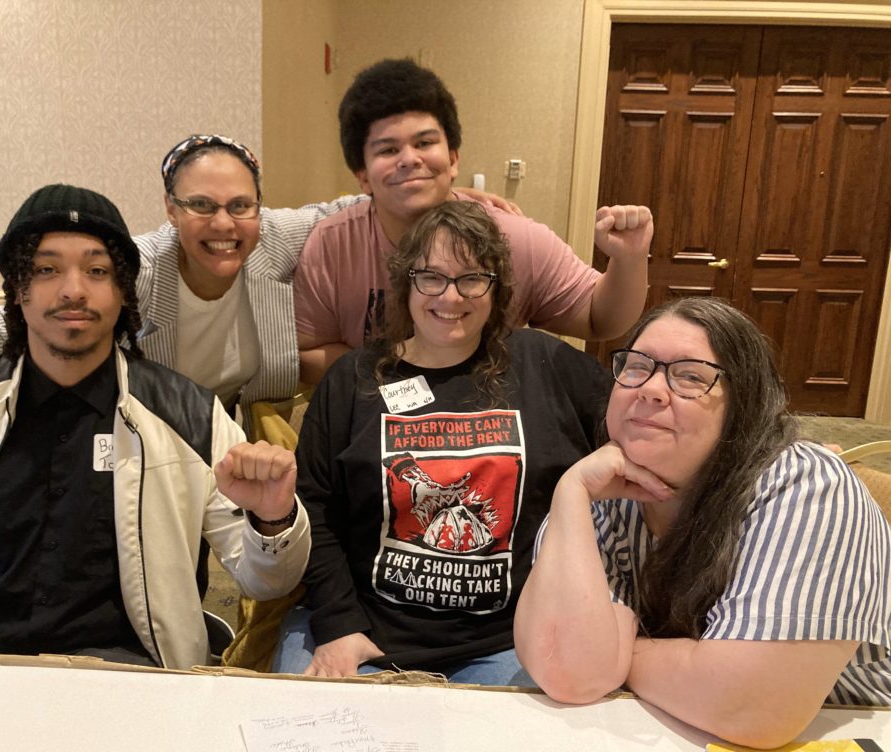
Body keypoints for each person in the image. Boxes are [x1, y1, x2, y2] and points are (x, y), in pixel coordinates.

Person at [0, 135, 518, 486]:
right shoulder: (131, 267)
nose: (224, 224)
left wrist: (444, 197)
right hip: (147, 429)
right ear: (170, 208)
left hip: (236, 423)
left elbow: (356, 206)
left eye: (240, 205)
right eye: (200, 206)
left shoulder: (273, 237)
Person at [0, 184, 310, 670]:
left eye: (97, 271)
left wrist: (272, 520)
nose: (73, 289)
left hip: (121, 667)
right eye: (47, 269)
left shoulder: (189, 413)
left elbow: (266, 581)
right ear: (19, 289)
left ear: (123, 291)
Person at [513, 297, 891, 747]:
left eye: (690, 376)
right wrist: (570, 493)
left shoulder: (807, 487)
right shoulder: (598, 491)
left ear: (744, 406)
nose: (650, 389)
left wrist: (615, 655)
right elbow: (570, 673)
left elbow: (756, 709)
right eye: (636, 366)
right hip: (658, 725)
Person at [273, 201, 612, 684]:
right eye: (431, 277)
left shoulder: (545, 364)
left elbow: (634, 427)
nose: (450, 297)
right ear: (406, 282)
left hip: (509, 640)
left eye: (472, 278)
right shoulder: (355, 378)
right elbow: (313, 508)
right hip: (361, 631)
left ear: (497, 289)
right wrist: (339, 623)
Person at [294, 58, 654, 384]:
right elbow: (307, 354)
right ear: (362, 175)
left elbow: (600, 319)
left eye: (424, 142)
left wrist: (629, 259)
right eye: (388, 150)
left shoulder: (515, 238)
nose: (409, 159)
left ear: (453, 158)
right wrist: (408, 378)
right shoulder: (332, 245)